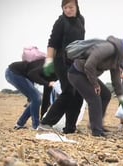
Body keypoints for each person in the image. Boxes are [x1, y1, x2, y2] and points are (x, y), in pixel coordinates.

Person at [67, 33, 123, 137]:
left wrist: (120, 96)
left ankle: (96, 125)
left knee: (106, 94)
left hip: (87, 75)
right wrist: (95, 84)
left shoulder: (118, 56)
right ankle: (96, 131)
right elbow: (89, 65)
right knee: (94, 98)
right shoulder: (109, 48)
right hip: (77, 73)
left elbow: (115, 76)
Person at [38, 0, 85, 134]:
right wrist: (48, 62)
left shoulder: (81, 20)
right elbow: (52, 42)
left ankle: (70, 128)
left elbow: (81, 42)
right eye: (65, 7)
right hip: (61, 61)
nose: (68, 10)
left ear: (76, 6)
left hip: (75, 61)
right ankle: (46, 123)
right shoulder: (60, 22)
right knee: (69, 91)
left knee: (78, 94)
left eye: (71, 7)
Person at [5, 59, 57, 130]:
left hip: (20, 75)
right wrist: (47, 83)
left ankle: (20, 124)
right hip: (13, 72)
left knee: (36, 99)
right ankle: (36, 126)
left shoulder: (55, 76)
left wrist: (43, 119)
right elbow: (32, 74)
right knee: (36, 98)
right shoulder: (50, 66)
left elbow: (46, 98)